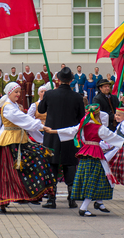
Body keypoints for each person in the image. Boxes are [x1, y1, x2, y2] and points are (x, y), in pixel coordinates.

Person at [47, 104, 124, 217]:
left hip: (85, 154)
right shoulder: (99, 128)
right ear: (98, 114)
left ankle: (99, 203)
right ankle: (84, 208)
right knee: (95, 179)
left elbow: (70, 131)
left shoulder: (83, 126)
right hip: (95, 154)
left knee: (97, 177)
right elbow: (114, 138)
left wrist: (52, 131)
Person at [0, 82, 56, 213]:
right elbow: (23, 119)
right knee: (6, 173)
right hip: (9, 143)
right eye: (16, 92)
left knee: (36, 159)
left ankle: (31, 193)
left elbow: (26, 124)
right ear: (9, 93)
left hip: (20, 140)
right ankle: (3, 199)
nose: (18, 94)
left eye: (19, 92)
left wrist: (42, 139)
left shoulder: (13, 105)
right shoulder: (8, 107)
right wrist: (41, 126)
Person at [38, 67, 85, 209]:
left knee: (52, 164)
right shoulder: (77, 97)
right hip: (69, 136)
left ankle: (51, 199)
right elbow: (81, 117)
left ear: (58, 79)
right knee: (70, 165)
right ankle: (72, 198)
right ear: (71, 81)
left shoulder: (50, 94)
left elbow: (40, 110)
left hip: (52, 135)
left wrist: (44, 98)